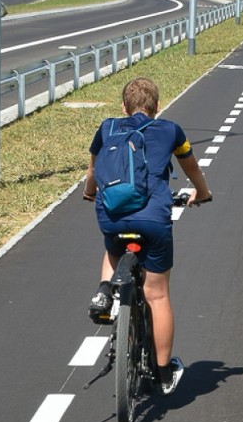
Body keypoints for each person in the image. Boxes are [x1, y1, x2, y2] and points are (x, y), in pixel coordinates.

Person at [82, 76, 212, 395]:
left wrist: (89, 194)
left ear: (124, 107)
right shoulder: (171, 131)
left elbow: (92, 173)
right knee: (156, 295)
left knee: (113, 247)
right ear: (156, 106)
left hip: (111, 216)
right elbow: (191, 167)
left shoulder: (107, 128)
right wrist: (202, 192)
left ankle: (103, 291)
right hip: (153, 220)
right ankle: (165, 373)